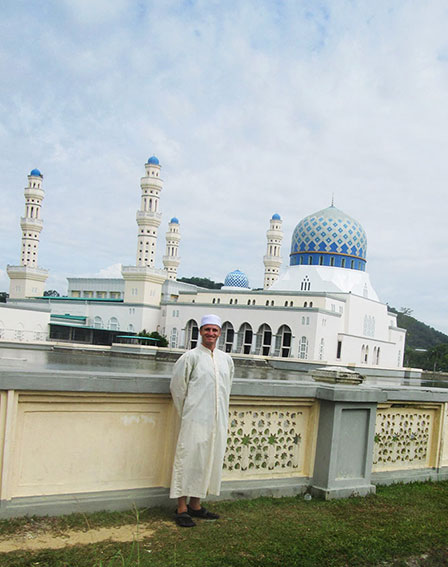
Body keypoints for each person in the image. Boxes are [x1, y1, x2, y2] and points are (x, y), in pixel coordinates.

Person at [169, 314, 234, 527]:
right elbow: (178, 388)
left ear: (220, 333)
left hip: (217, 420)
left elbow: (227, 389)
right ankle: (181, 508)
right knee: (188, 459)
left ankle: (196, 505)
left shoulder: (226, 360)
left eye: (215, 330)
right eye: (207, 330)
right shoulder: (190, 358)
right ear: (200, 332)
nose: (211, 334)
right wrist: (188, 414)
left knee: (209, 460)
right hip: (194, 419)